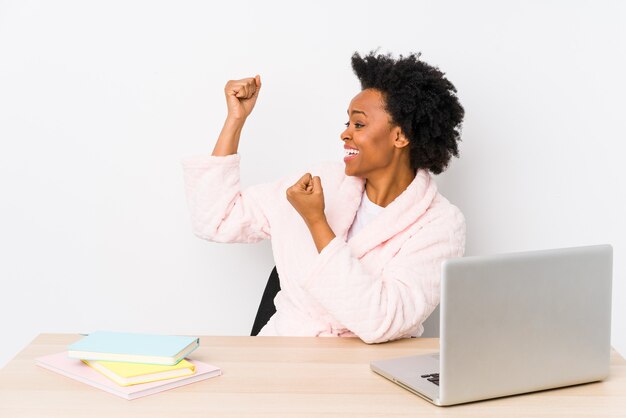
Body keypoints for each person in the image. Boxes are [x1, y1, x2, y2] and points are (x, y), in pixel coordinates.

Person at [182, 51, 466, 343]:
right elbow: (216, 219)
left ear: (400, 136)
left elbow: (382, 321)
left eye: (358, 124)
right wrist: (235, 120)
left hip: (371, 372)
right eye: (346, 124)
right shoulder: (320, 182)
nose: (345, 135)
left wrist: (317, 221)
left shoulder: (440, 224)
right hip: (283, 356)